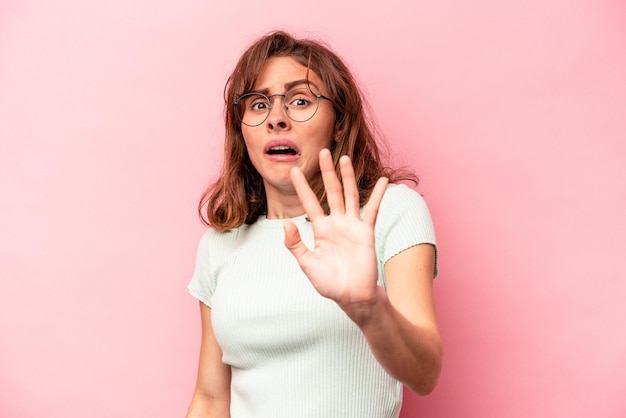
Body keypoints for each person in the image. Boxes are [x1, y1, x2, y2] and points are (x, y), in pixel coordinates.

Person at [186, 30, 442, 418]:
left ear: (339, 123)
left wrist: (367, 305)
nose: (276, 118)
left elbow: (424, 374)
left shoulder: (390, 211)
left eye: (299, 100)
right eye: (257, 105)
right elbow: (210, 399)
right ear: (242, 130)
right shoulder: (220, 244)